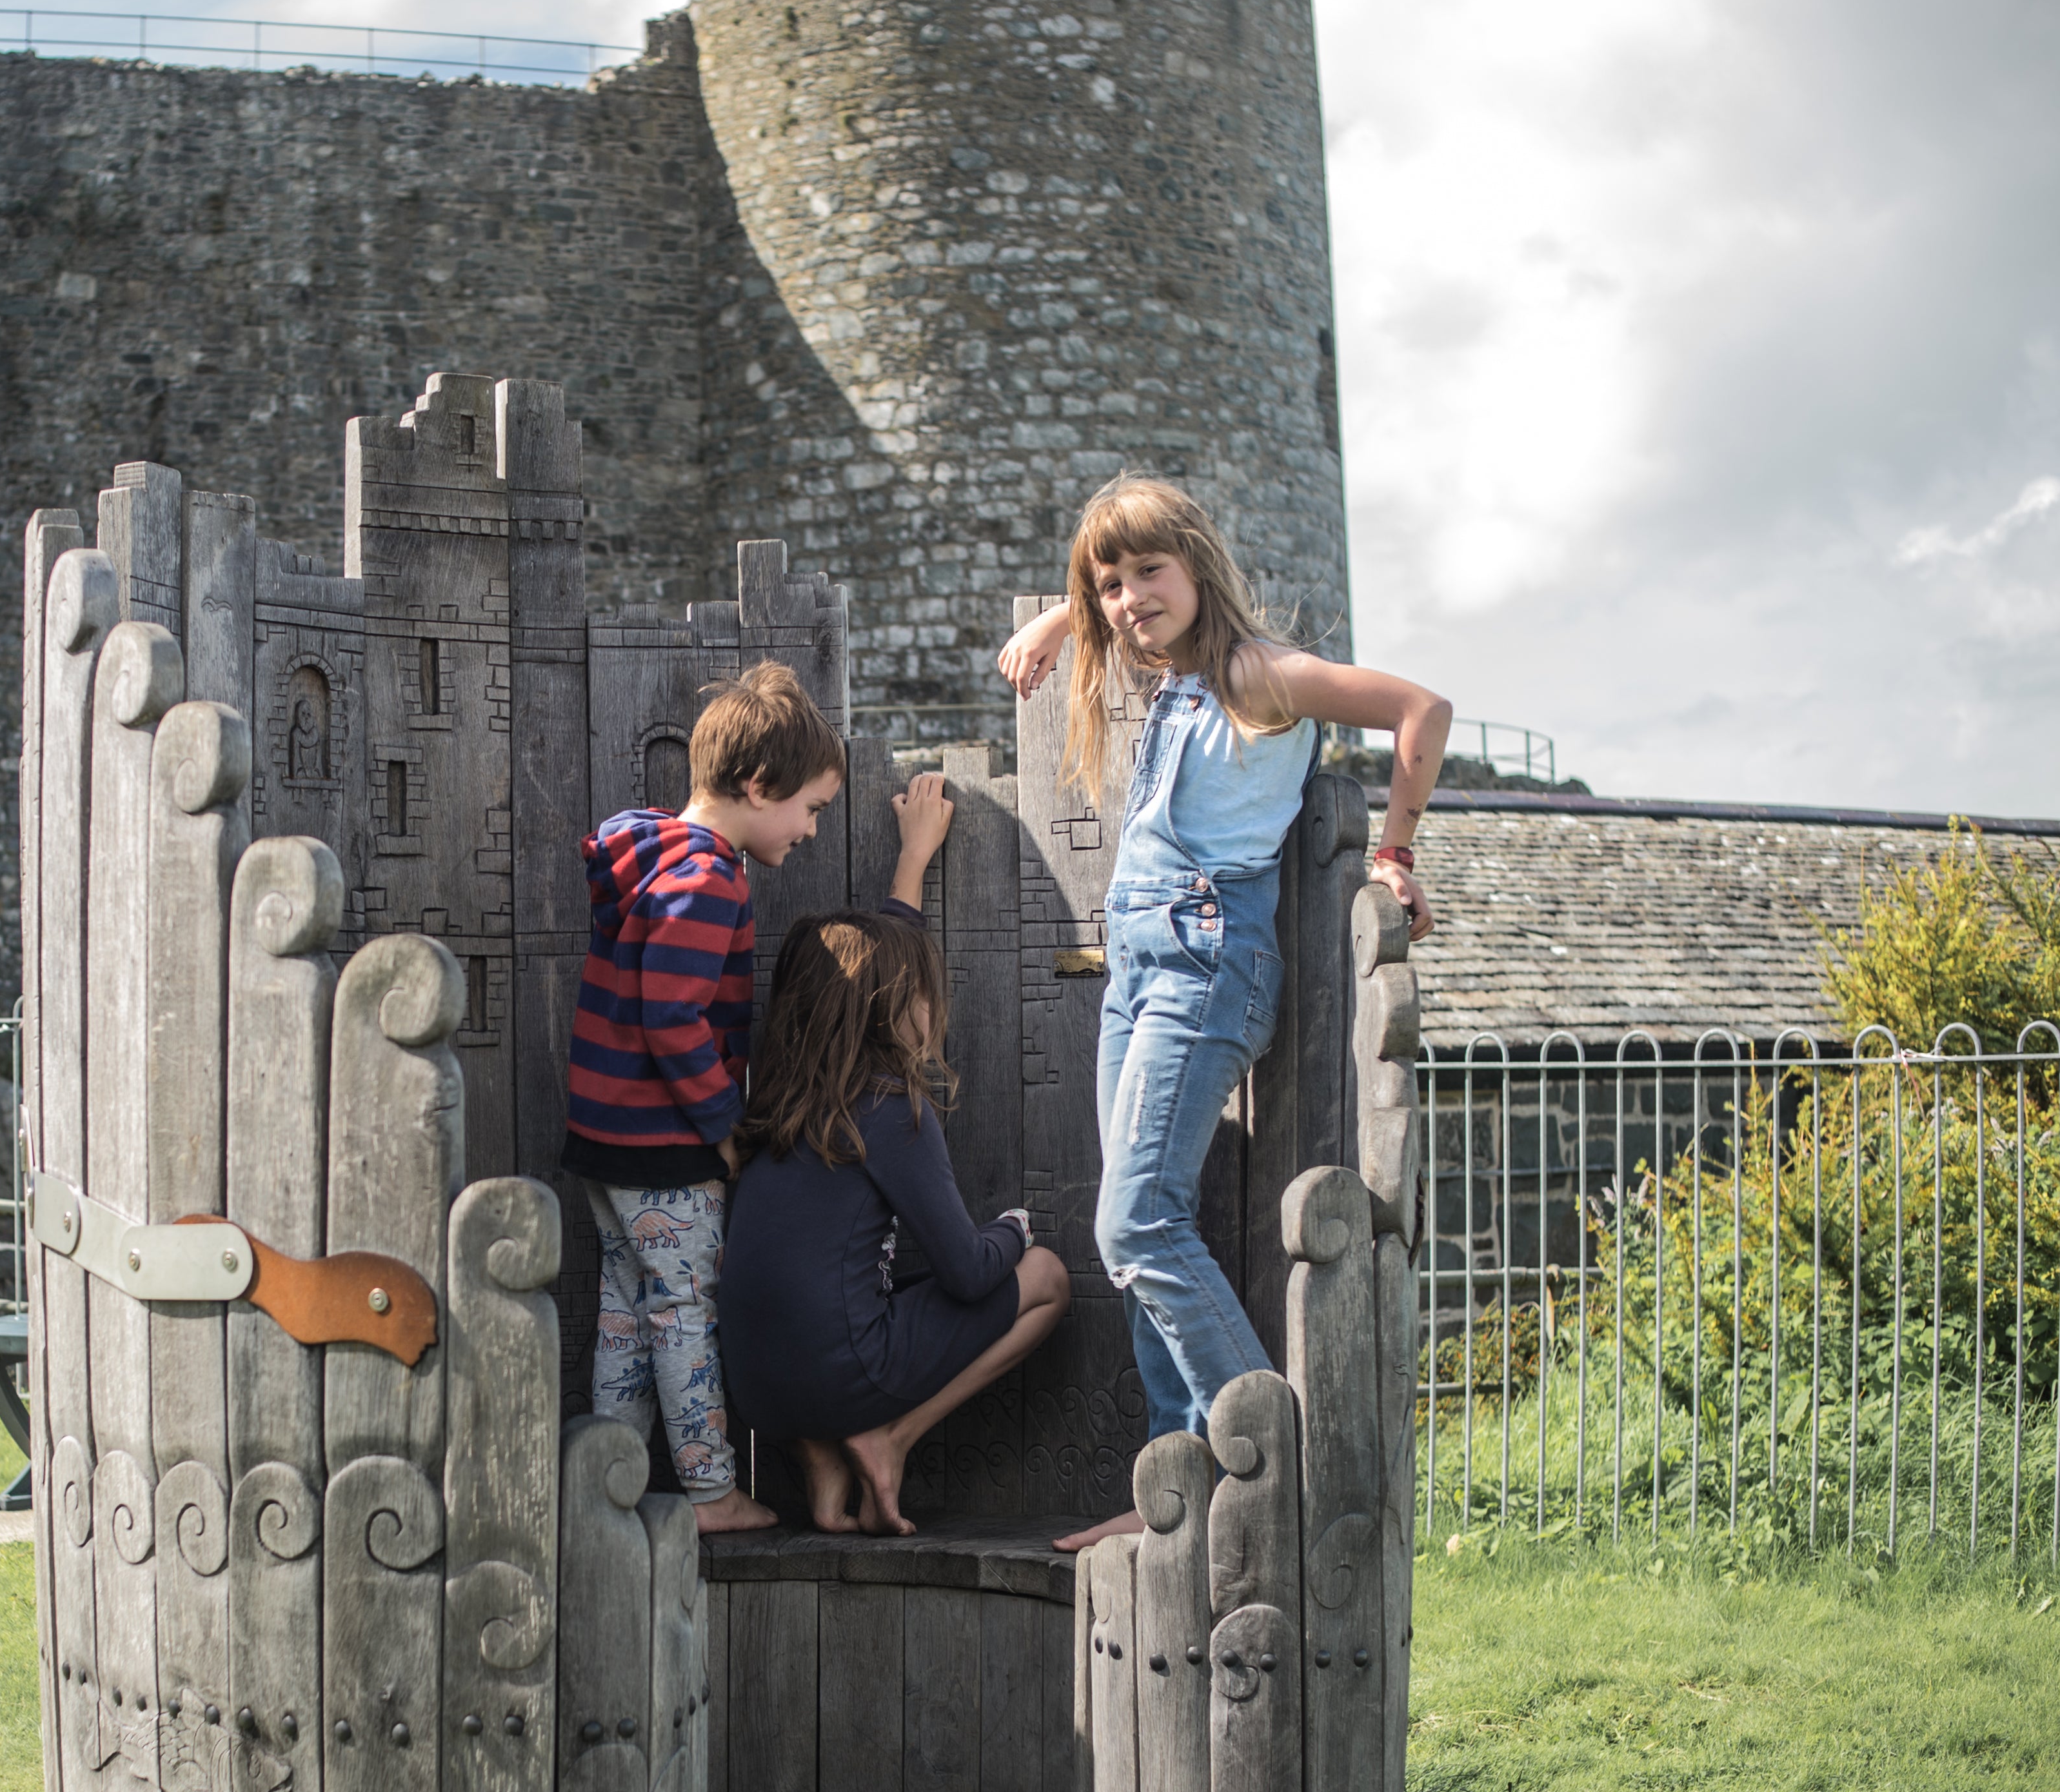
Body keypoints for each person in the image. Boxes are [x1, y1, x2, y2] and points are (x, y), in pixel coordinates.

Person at [989, 476, 1451, 1553]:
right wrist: (1071, 608)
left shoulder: (1253, 671)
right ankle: (1182, 1489)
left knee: (1134, 1223)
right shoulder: (1171, 673)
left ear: (1196, 564)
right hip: (1141, 966)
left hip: (1205, 960)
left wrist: (1394, 852)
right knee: (1151, 1228)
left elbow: (1417, 710)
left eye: (1147, 571)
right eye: (1109, 582)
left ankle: (1267, 1459)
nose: (1126, 597)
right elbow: (1124, 611)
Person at [718, 818, 1073, 1537]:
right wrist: (1012, 1229)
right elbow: (970, 1274)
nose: (930, 1006)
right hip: (844, 1372)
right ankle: (891, 1438)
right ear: (890, 1008)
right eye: (918, 991)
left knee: (822, 1297)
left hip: (751, 1388)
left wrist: (912, 858)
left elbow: (864, 959)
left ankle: (819, 1466)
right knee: (1043, 1276)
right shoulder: (890, 1110)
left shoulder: (776, 1097)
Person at [566, 660, 846, 1535]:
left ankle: (608, 1483)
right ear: (759, 786)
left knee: (625, 1308)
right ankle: (710, 1491)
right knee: (687, 1307)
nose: (809, 830)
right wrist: (725, 1126)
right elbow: (672, 1015)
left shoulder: (653, 853)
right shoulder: (710, 876)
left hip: (605, 1135)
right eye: (809, 808)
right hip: (665, 1141)